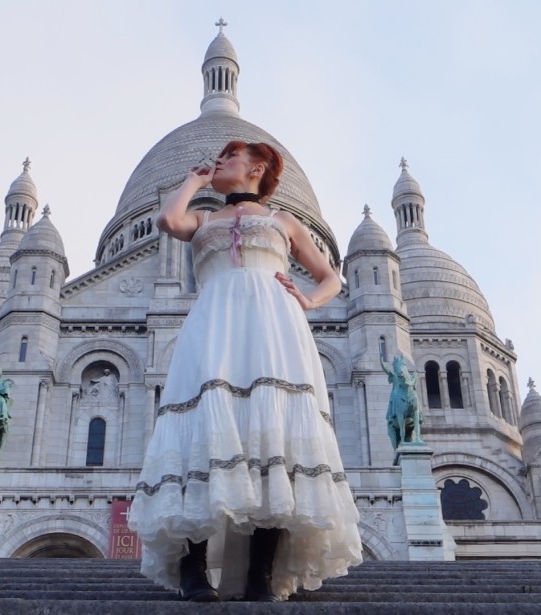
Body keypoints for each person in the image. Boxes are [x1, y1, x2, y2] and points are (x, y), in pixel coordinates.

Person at [129, 141, 362, 602]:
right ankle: (193, 570)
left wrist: (308, 299)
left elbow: (330, 277)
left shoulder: (283, 222)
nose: (219, 162)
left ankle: (261, 575)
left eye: (228, 158)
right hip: (213, 322)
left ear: (257, 168)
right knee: (204, 425)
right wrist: (194, 181)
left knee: (271, 435)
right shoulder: (204, 219)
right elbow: (167, 221)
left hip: (273, 325)